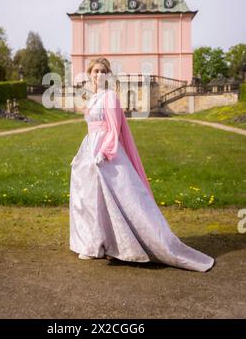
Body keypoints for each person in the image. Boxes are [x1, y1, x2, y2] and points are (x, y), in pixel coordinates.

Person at [69, 57, 215, 272]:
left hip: (105, 151)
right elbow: (91, 130)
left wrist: (105, 151)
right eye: (95, 71)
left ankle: (128, 242)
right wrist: (80, 155)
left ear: (108, 75)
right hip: (89, 149)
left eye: (102, 71)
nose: (98, 75)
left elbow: (113, 128)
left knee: (119, 198)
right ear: (90, 74)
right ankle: (93, 243)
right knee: (90, 199)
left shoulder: (110, 96)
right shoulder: (93, 98)